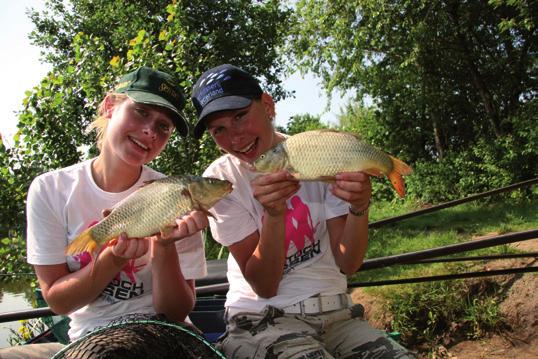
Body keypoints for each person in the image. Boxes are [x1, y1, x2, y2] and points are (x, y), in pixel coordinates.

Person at [191, 64, 416, 358]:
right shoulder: (221, 183)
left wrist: (359, 207)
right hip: (262, 319)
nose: (235, 138)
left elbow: (348, 262)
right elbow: (265, 285)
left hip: (339, 316)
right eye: (218, 129)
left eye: (240, 116)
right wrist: (273, 216)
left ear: (267, 105)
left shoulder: (318, 156)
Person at [2, 66, 208, 358]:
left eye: (164, 127)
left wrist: (164, 246)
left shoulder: (176, 195)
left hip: (167, 333)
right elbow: (59, 302)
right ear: (109, 106)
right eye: (140, 112)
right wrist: (113, 258)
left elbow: (175, 312)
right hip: (92, 335)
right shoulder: (51, 189)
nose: (150, 130)